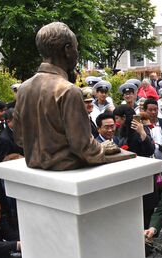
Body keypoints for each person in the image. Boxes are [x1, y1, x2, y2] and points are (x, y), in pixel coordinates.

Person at [12, 22, 110, 171]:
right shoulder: (69, 91)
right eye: (76, 49)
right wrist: (105, 148)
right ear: (68, 50)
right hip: (65, 166)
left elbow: (19, 138)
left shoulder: (24, 88)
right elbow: (83, 148)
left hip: (34, 163)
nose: (77, 54)